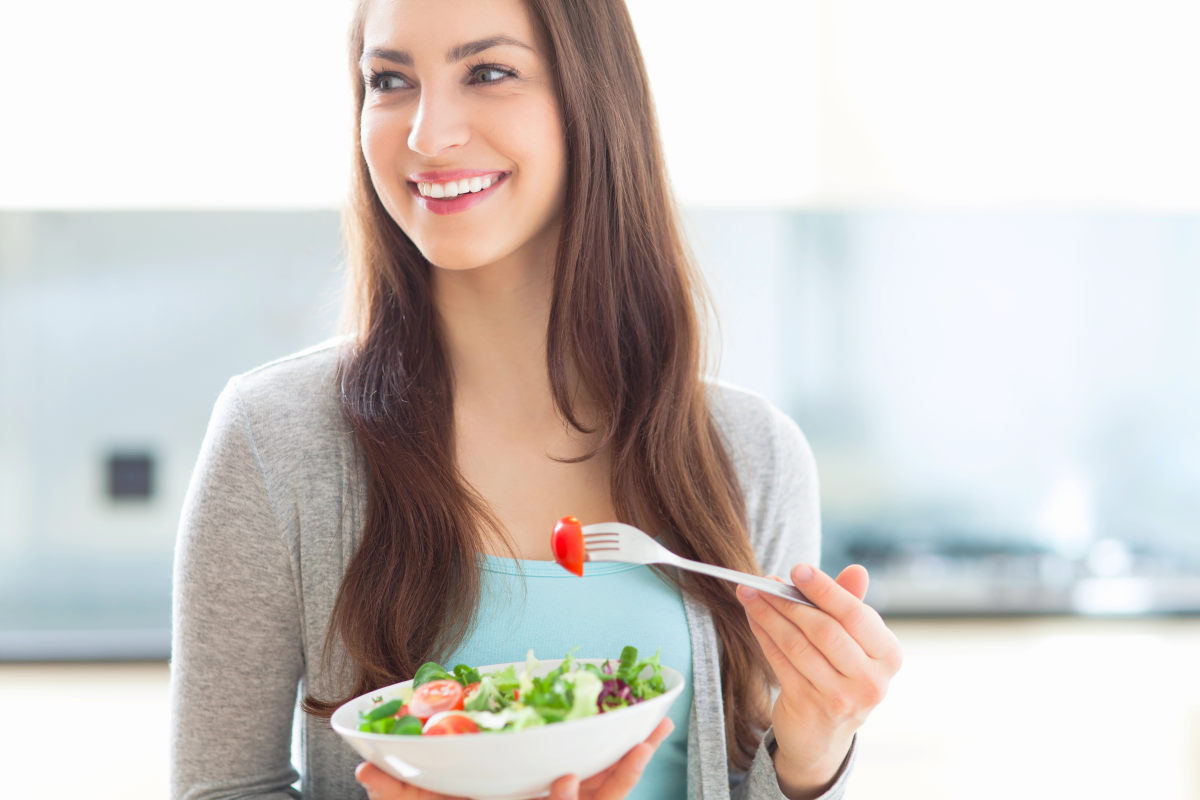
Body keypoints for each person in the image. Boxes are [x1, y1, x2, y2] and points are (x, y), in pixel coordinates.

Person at [169, 0, 903, 798]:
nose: (427, 132)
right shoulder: (274, 441)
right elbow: (220, 789)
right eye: (390, 80)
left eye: (488, 72)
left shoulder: (750, 454)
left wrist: (812, 754)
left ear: (594, 98)